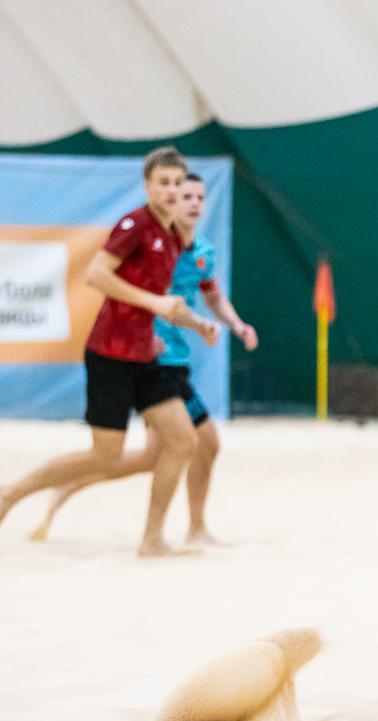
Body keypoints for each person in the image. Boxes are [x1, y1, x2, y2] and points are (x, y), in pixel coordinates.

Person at [0, 147, 218, 556]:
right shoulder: (135, 224)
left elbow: (163, 300)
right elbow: (97, 274)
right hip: (111, 353)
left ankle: (152, 539)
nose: (172, 191)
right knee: (105, 456)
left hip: (146, 355)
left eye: (178, 183)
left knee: (183, 441)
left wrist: (197, 323)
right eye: (164, 183)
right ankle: (11, 493)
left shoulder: (174, 237)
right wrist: (154, 305)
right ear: (148, 186)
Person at [28, 172, 258, 545]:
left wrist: (235, 324)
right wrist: (148, 334)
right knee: (201, 442)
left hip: (174, 359)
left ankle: (70, 487)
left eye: (199, 197)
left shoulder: (201, 252)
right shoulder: (153, 242)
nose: (192, 203)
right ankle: (187, 530)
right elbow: (125, 290)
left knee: (152, 457)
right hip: (152, 360)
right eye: (184, 195)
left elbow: (211, 296)